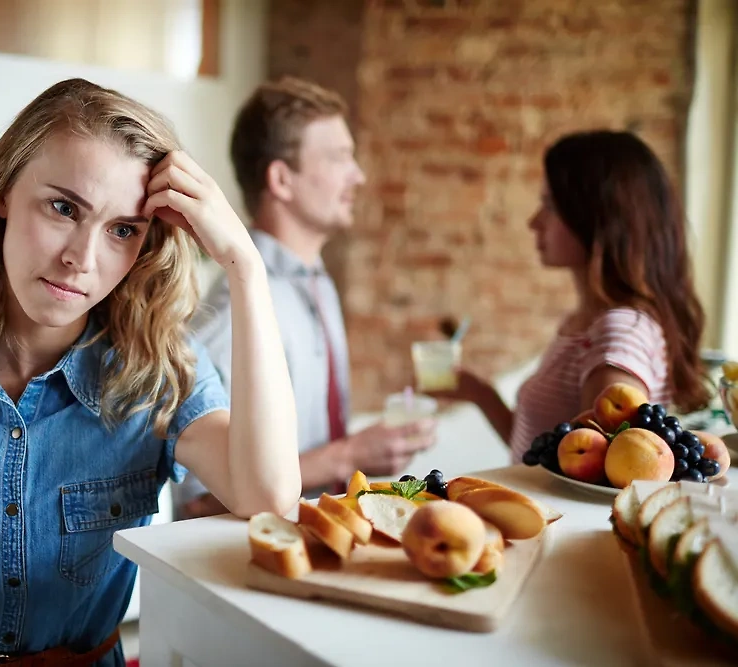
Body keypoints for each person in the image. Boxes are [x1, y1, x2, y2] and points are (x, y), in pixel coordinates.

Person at [0, 77, 301, 667]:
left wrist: (245, 266)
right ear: (3, 192)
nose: (82, 257)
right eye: (63, 207)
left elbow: (271, 496)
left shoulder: (157, 378)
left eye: (122, 229)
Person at [176, 77, 436, 519]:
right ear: (281, 179)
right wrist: (347, 456)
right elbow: (200, 505)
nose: (359, 175)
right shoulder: (234, 313)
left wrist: (362, 453)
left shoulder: (318, 285)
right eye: (339, 158)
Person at [431, 130, 711, 462]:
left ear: (596, 218)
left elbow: (604, 483)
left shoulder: (618, 332)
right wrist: (480, 394)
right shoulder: (587, 323)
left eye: (550, 205)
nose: (534, 221)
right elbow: (542, 452)